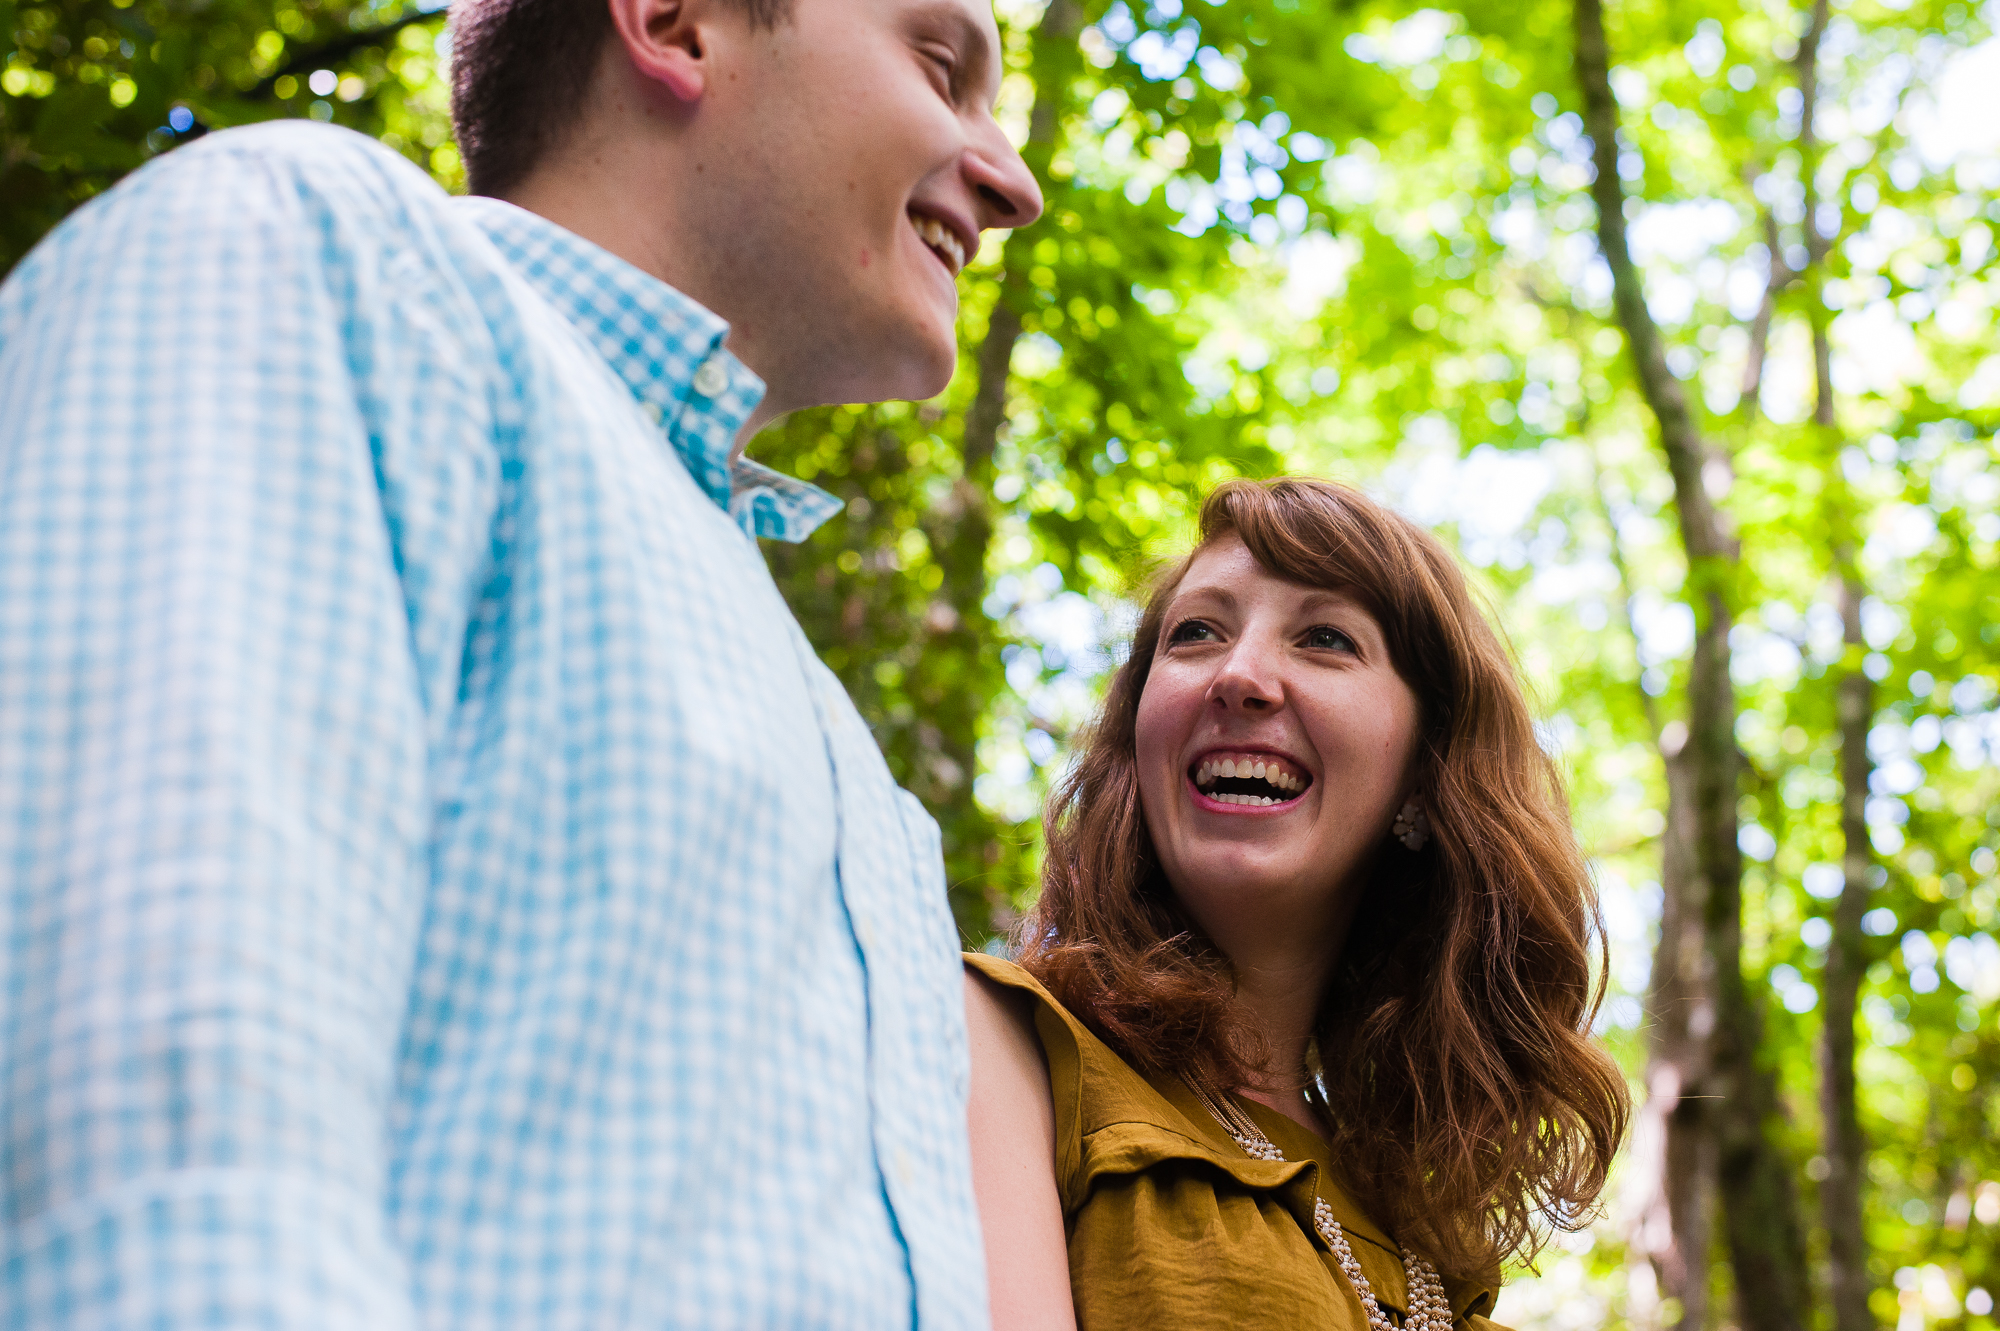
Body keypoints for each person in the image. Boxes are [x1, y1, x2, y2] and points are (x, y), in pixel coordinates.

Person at [0, 0, 1040, 1325]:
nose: (1011, 181)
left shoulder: (840, 748)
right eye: (942, 69)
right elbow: (167, 1150)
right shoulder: (322, 260)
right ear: (674, 24)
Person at [962, 478, 1629, 1330]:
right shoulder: (1003, 1039)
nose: (1240, 676)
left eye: (1324, 639)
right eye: (1196, 632)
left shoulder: (1422, 1234)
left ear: (1425, 776)